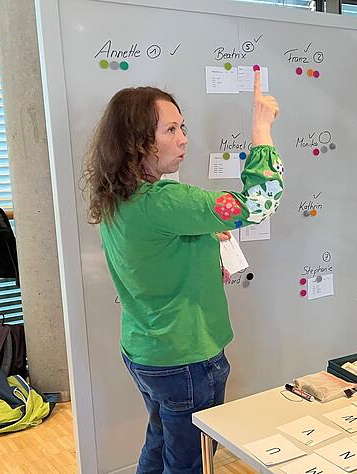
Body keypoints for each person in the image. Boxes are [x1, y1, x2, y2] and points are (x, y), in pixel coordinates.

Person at [82, 69, 283, 473]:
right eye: (170, 129)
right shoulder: (166, 200)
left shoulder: (118, 196)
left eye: (182, 126)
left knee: (160, 440)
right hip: (186, 357)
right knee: (189, 461)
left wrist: (209, 240)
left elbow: (157, 252)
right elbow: (260, 202)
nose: (183, 138)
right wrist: (261, 129)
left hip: (145, 350)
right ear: (138, 143)